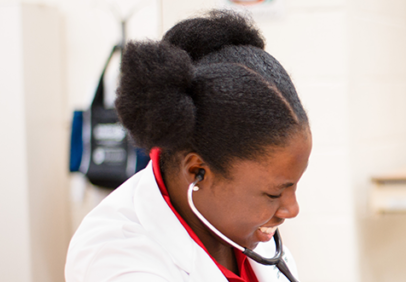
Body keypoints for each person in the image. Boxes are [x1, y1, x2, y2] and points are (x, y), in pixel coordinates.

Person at [66, 10, 311, 282]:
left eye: (293, 186)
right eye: (273, 194)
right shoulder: (115, 261)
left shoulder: (242, 229)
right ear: (197, 171)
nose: (292, 209)